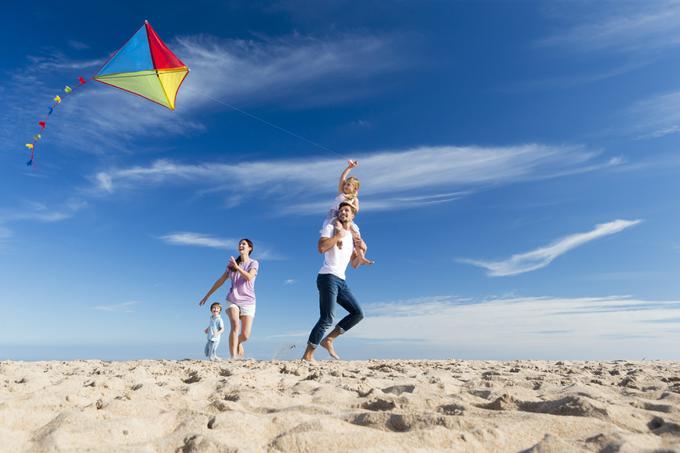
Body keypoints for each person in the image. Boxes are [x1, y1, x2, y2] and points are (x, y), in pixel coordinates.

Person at [303, 202, 365, 361]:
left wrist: (362, 253)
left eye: (347, 210)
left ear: (352, 215)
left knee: (358, 313)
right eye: (341, 210)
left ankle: (329, 339)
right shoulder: (331, 227)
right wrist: (338, 236)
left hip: (341, 281)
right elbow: (321, 247)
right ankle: (308, 355)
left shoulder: (352, 237)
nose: (343, 212)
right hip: (327, 276)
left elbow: (354, 265)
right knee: (327, 318)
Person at [199, 239, 259, 359]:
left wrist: (238, 267)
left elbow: (249, 277)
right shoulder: (231, 265)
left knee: (246, 335)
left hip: (248, 302)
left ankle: (238, 342)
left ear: (250, 248)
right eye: (240, 244)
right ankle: (233, 358)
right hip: (232, 300)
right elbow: (220, 281)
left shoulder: (254, 263)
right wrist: (207, 295)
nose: (241, 245)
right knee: (235, 325)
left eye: (244, 244)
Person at [323, 160, 374, 266]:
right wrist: (349, 168)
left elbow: (356, 209)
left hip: (346, 218)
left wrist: (350, 204)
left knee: (356, 234)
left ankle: (361, 256)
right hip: (336, 215)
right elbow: (342, 178)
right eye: (346, 184)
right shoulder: (341, 193)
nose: (346, 186)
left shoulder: (354, 198)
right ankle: (338, 240)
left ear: (355, 188)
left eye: (349, 185)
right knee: (337, 225)